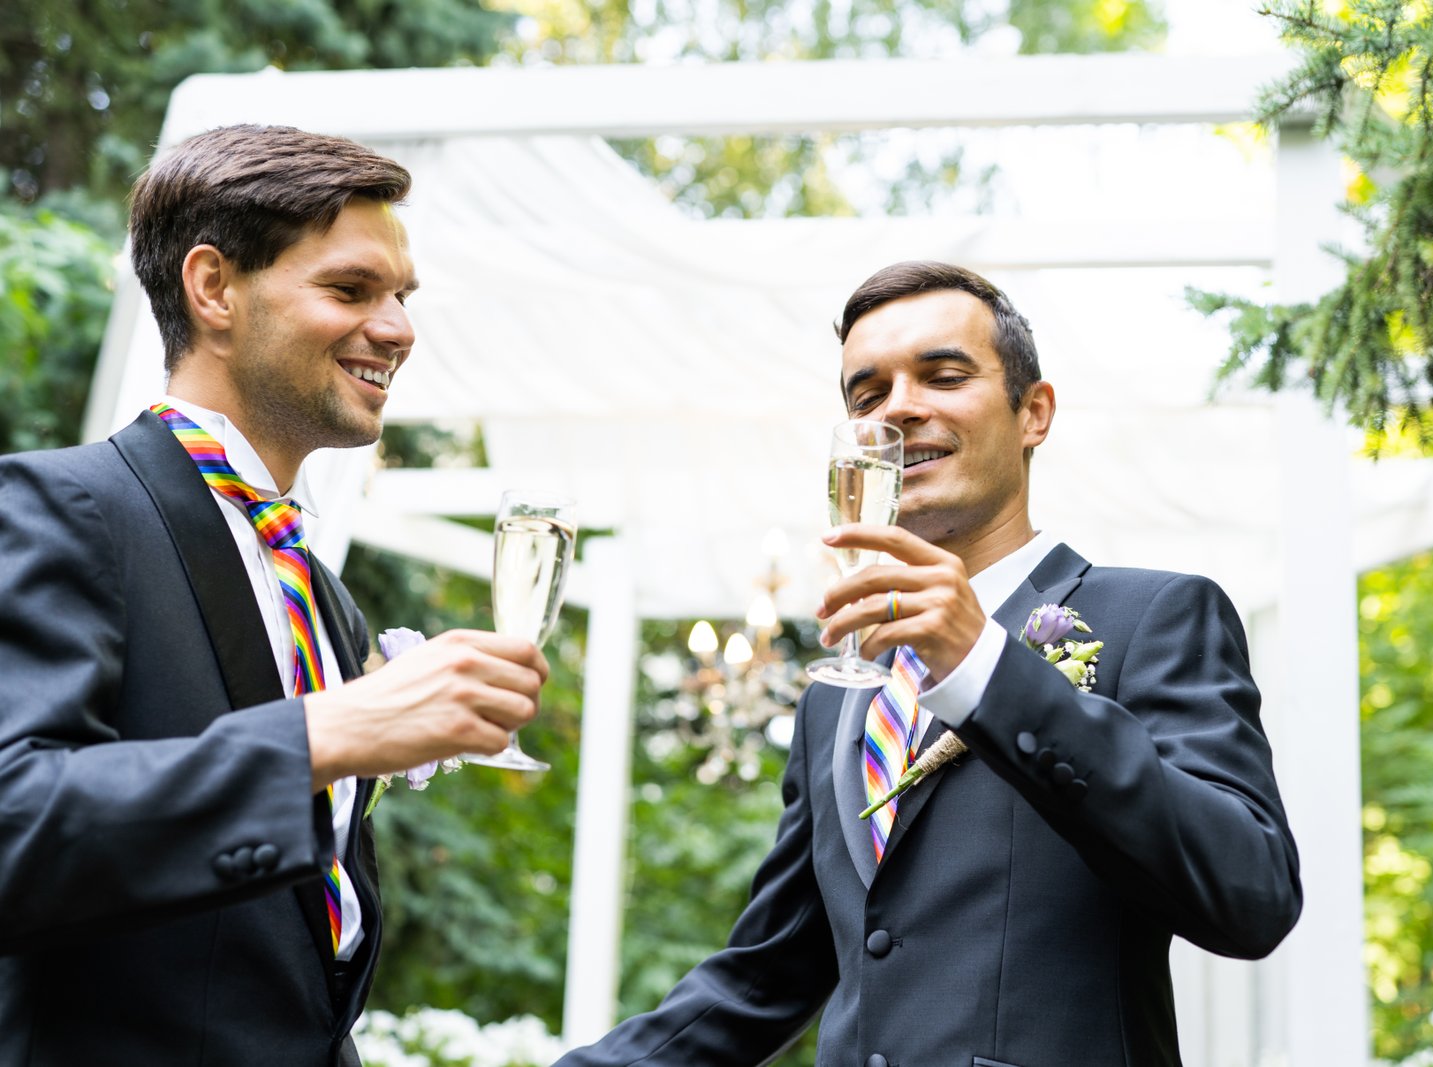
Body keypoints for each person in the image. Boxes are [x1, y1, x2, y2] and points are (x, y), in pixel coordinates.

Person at [556, 261, 1301, 1067]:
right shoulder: (834, 701)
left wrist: (984, 663)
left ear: (1034, 413)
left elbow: (1250, 891)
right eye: (867, 395)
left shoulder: (1155, 616)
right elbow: (767, 975)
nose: (902, 406)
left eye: (944, 375)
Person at [0, 124, 547, 1066]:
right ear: (214, 288)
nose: (400, 329)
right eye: (350, 289)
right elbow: (18, 824)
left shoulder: (326, 599)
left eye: (403, 297)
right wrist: (326, 734)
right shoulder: (60, 506)